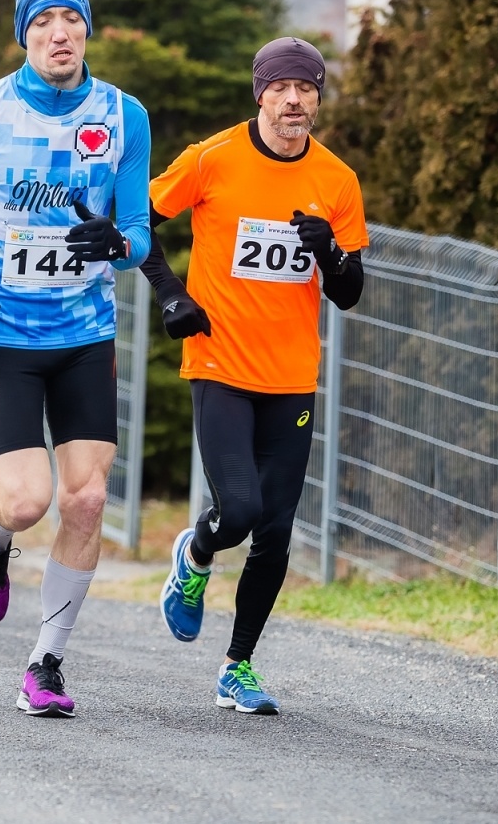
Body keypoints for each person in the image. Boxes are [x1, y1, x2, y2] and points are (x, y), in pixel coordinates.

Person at [0, 0, 151, 717]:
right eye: (44, 21)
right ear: (25, 34)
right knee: (26, 500)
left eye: (71, 21)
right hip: (4, 334)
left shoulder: (123, 116)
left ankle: (45, 663)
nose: (59, 34)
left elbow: (141, 235)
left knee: (84, 501)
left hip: (85, 333)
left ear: (87, 31)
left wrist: (117, 241)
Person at [147, 37, 368, 714]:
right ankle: (197, 553)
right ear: (261, 94)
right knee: (237, 511)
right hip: (220, 362)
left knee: (275, 529)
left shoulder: (336, 181)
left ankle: (236, 666)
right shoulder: (212, 160)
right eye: (282, 88)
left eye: (307, 89)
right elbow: (140, 224)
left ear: (318, 99)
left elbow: (351, 290)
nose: (294, 101)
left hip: (292, 375)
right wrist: (171, 297)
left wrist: (328, 251)